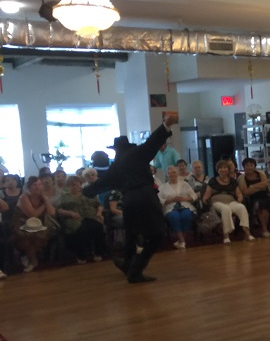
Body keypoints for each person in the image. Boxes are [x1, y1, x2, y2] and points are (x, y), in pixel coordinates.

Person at [83, 114, 179, 283]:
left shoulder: (116, 165)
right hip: (145, 197)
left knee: (132, 235)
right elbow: (153, 142)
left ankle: (128, 264)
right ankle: (135, 269)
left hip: (129, 201)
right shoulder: (136, 153)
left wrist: (85, 191)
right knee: (157, 236)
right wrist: (166, 124)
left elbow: (100, 184)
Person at [56, 176, 107, 263]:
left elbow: (99, 205)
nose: (75, 186)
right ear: (68, 186)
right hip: (74, 218)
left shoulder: (87, 193)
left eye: (77, 184)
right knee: (81, 229)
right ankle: (81, 255)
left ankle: (98, 252)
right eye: (72, 185)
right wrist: (70, 213)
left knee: (98, 226)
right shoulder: (64, 196)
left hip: (91, 216)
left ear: (80, 184)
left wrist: (99, 212)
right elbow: (58, 210)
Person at [202, 160, 255, 243]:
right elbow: (207, 195)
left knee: (241, 207)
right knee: (226, 209)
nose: (223, 170)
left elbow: (238, 193)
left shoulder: (233, 181)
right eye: (221, 168)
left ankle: (247, 232)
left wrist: (240, 198)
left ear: (228, 169)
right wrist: (205, 201)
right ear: (217, 170)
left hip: (231, 201)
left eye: (225, 168)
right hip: (217, 202)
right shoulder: (213, 180)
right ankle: (226, 235)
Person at [11, 176, 56, 273]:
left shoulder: (43, 197)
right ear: (30, 187)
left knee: (40, 235)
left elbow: (52, 212)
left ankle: (30, 257)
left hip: (39, 223)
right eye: (34, 185)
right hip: (21, 222)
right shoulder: (24, 197)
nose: (38, 187)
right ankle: (32, 260)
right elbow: (33, 214)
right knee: (25, 236)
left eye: (39, 184)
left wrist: (45, 200)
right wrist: (44, 205)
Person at [238, 157, 270, 238]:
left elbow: (265, 184)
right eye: (247, 165)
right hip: (253, 199)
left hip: (265, 195)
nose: (249, 167)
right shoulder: (242, 178)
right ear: (244, 167)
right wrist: (259, 187)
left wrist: (252, 186)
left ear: (254, 166)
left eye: (251, 165)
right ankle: (264, 230)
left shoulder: (260, 173)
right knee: (262, 207)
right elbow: (245, 192)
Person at [158, 165, 198, 248]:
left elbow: (194, 196)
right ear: (166, 174)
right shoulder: (162, 187)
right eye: (169, 173)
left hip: (185, 205)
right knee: (174, 217)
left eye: (174, 172)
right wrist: (171, 200)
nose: (172, 174)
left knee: (186, 215)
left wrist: (185, 198)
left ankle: (181, 241)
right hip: (170, 207)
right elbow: (159, 200)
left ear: (177, 173)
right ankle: (182, 240)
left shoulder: (184, 184)